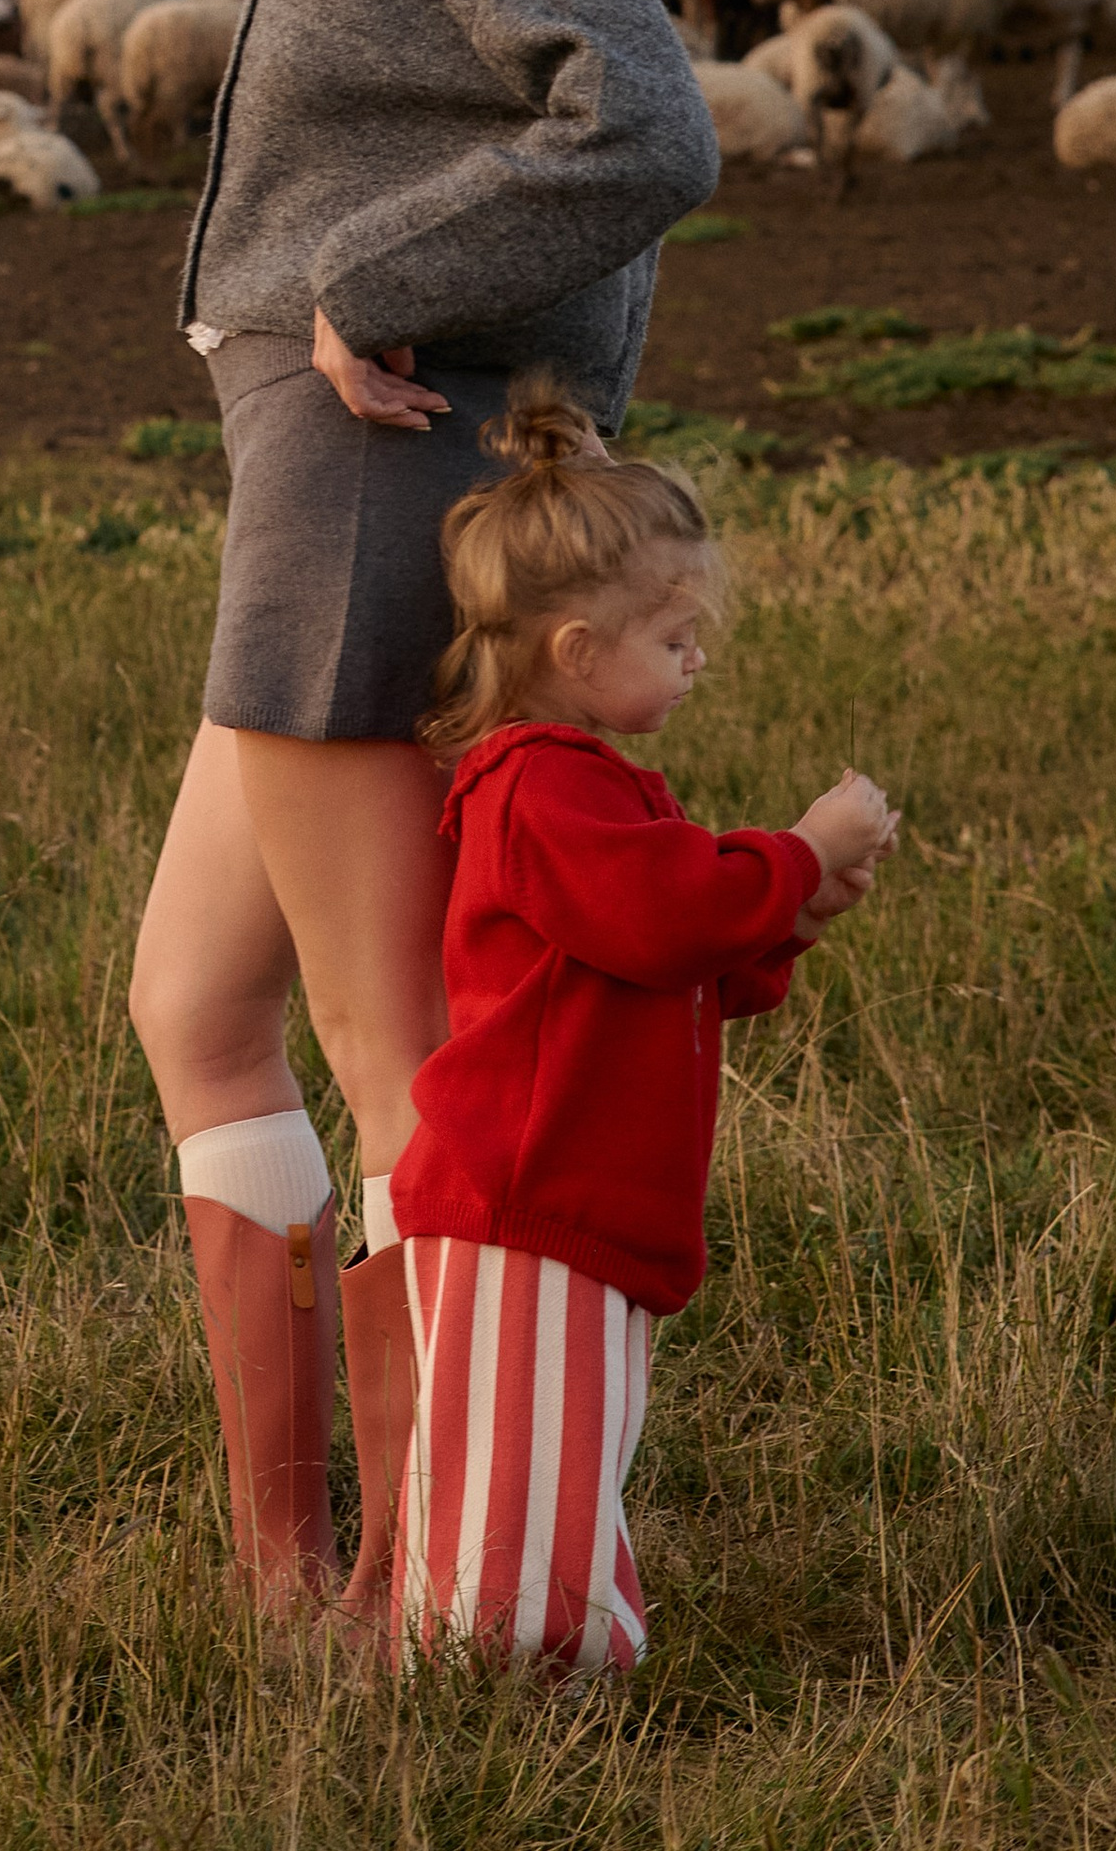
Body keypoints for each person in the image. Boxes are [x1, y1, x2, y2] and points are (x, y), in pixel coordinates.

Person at [127, 0, 723, 1618]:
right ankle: (291, 1573)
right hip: (315, 474)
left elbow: (642, 129)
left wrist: (375, 288)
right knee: (193, 1002)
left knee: (402, 1059)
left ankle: (438, 1589)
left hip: (372, 471)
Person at [391, 387, 896, 1675]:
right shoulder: (537, 787)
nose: (696, 659)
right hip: (528, 1190)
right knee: (524, 1459)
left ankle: (524, 1641)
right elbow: (661, 914)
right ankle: (503, 1668)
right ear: (574, 648)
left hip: (585, 1193)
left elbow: (664, 959)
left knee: (564, 1446)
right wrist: (790, 856)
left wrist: (784, 914)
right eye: (676, 637)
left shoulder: (584, 789)